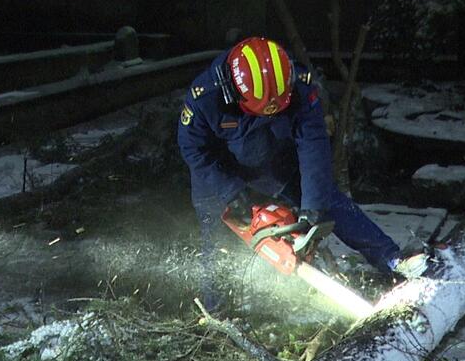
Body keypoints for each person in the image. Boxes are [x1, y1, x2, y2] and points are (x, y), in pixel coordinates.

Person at [177, 36, 427, 308]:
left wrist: (313, 205)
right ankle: (215, 312)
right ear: (235, 91)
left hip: (273, 159)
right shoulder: (206, 97)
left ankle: (392, 259)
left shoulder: (296, 84)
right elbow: (194, 150)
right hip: (218, 172)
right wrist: (230, 192)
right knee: (214, 240)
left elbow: (313, 144)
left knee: (329, 200)